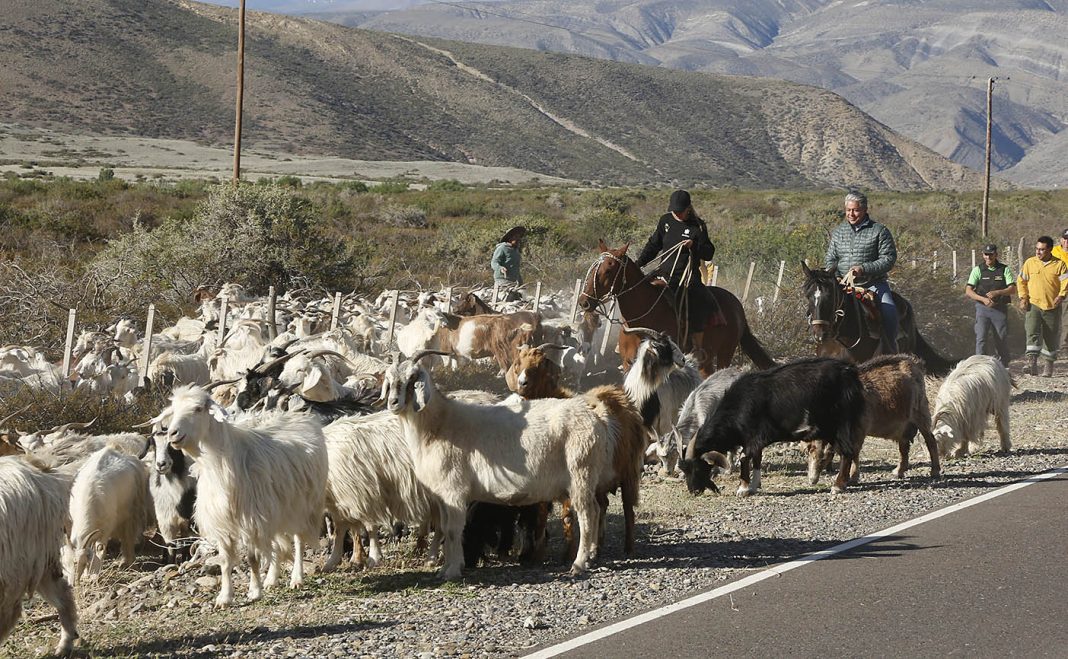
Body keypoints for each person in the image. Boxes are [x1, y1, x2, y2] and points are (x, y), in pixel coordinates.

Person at [634, 189, 715, 349]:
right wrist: (638, 264)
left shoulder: (698, 226)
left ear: (688, 209)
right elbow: (653, 245)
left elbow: (709, 253)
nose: (677, 215)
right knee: (639, 290)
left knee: (700, 299)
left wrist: (694, 246)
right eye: (675, 211)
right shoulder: (665, 221)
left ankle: (697, 346)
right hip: (664, 272)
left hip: (687, 276)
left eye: (680, 212)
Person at [824, 190, 899, 354]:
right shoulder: (838, 232)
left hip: (873, 285)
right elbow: (830, 259)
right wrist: (835, 277)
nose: (851, 214)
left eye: (855, 210)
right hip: (843, 286)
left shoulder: (879, 230)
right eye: (848, 210)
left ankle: (892, 351)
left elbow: (888, 258)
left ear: (865, 210)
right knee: (821, 307)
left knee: (889, 310)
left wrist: (863, 269)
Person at [1017, 235, 1068, 377]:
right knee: (1031, 331)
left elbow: (1065, 282)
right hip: (1033, 304)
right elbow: (1021, 281)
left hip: (1052, 306)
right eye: (1037, 249)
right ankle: (1031, 363)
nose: (1038, 252)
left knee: (1050, 335)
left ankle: (1048, 365)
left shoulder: (1059, 265)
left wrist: (1061, 295)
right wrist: (1023, 298)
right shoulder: (1029, 263)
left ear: (1050, 250)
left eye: (1042, 250)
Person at [965, 244, 1015, 367]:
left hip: (999, 309)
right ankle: (979, 365)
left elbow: (1012, 289)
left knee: (1001, 338)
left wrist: (998, 292)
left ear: (996, 255)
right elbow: (968, 290)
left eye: (991, 254)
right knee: (981, 338)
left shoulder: (1004, 269)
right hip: (982, 309)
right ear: (983, 255)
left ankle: (1004, 365)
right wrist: (983, 299)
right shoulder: (978, 270)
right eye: (986, 254)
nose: (988, 257)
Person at [1053, 229, 1068, 352]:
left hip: (1066, 291)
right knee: (1051, 317)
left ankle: (1063, 345)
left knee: (1065, 318)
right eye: (1065, 238)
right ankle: (1049, 343)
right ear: (1061, 240)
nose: (1067, 241)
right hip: (1052, 289)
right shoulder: (1054, 251)